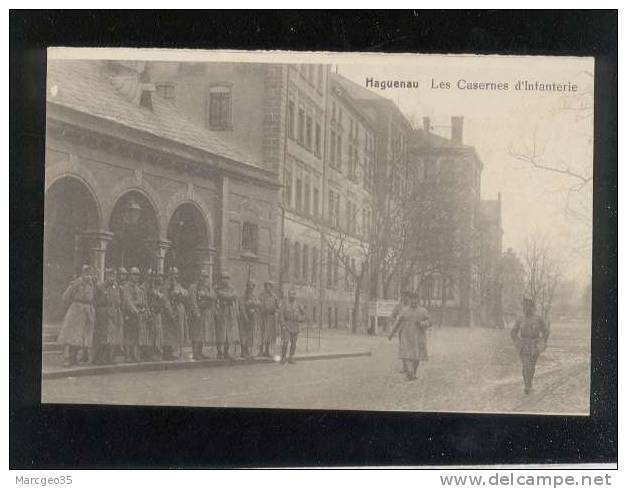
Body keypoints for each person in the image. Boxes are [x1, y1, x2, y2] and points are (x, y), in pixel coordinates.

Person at [57, 264, 96, 367]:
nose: (88, 276)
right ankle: (68, 358)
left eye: (90, 273)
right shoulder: (77, 283)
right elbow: (66, 296)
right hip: (77, 311)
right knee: (72, 336)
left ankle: (75, 358)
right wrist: (73, 306)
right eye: (86, 273)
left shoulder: (92, 283)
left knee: (82, 337)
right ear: (82, 273)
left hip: (87, 311)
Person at [510, 297, 550, 394]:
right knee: (525, 365)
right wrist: (517, 342)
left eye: (528, 306)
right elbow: (513, 332)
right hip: (523, 346)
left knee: (531, 366)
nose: (526, 308)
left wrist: (542, 342)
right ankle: (527, 386)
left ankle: (529, 383)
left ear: (533, 307)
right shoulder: (520, 319)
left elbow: (546, 332)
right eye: (524, 306)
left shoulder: (538, 318)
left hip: (535, 346)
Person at [388, 292, 430, 381]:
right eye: (412, 300)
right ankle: (410, 373)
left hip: (418, 336)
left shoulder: (423, 311)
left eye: (415, 300)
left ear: (418, 300)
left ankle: (412, 372)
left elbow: (429, 322)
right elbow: (397, 322)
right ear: (409, 300)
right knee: (406, 355)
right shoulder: (404, 310)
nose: (414, 302)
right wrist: (391, 333)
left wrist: (422, 323)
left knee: (416, 357)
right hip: (405, 335)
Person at [93, 268, 123, 365]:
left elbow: (119, 300)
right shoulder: (100, 286)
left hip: (114, 313)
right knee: (102, 336)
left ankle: (109, 358)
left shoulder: (116, 287)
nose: (112, 278)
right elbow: (95, 300)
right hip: (103, 313)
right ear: (106, 276)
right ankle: (98, 358)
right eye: (110, 275)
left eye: (113, 276)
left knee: (112, 337)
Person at [188, 269, 216, 360]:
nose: (204, 279)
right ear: (198, 277)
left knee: (202, 333)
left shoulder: (208, 287)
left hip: (205, 313)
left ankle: (200, 352)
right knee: (195, 333)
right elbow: (192, 301)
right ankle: (195, 353)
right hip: (196, 313)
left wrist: (206, 294)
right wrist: (196, 312)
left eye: (206, 277)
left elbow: (214, 296)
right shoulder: (193, 287)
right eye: (202, 276)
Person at [121, 266, 146, 363]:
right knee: (128, 335)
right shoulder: (126, 287)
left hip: (137, 313)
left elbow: (141, 300)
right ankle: (127, 355)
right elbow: (128, 301)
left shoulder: (138, 287)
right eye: (134, 274)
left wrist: (142, 308)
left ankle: (134, 354)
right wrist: (136, 311)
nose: (136, 277)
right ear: (130, 275)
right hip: (129, 314)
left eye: (138, 275)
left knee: (136, 335)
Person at [163, 267, 188, 360]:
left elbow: (185, 292)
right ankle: (167, 352)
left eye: (176, 274)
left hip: (179, 310)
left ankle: (175, 351)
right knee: (169, 333)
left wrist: (180, 292)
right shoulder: (166, 285)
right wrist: (170, 312)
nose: (175, 276)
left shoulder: (177, 284)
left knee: (178, 332)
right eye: (173, 274)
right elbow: (165, 300)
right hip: (170, 312)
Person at [214, 271, 239, 360]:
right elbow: (221, 295)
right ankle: (219, 352)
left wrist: (229, 296)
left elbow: (235, 296)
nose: (226, 280)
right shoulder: (217, 288)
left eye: (227, 278)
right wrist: (229, 296)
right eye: (224, 278)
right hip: (221, 312)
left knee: (229, 333)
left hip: (229, 313)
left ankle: (226, 351)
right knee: (220, 333)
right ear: (220, 279)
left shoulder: (231, 288)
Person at [278, 289, 305, 364]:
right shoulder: (284, 304)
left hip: (295, 326)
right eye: (290, 294)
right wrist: (283, 325)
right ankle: (283, 357)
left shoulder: (298, 305)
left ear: (295, 296)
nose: (292, 296)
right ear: (288, 295)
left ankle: (291, 357)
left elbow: (303, 314)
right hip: (287, 325)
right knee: (285, 342)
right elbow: (281, 315)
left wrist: (300, 319)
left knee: (294, 343)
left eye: (293, 294)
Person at [146, 273, 168, 360]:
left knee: (158, 333)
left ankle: (157, 351)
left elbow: (164, 300)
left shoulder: (160, 290)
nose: (159, 279)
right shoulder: (147, 288)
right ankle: (149, 353)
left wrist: (158, 294)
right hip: (151, 311)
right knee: (151, 333)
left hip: (158, 312)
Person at [238, 280, 260, 359]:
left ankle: (248, 351)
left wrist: (253, 307)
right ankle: (243, 351)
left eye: (252, 288)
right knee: (243, 334)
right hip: (244, 318)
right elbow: (242, 307)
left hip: (252, 318)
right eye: (249, 287)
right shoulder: (243, 297)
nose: (251, 289)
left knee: (250, 335)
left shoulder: (254, 296)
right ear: (247, 287)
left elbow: (258, 304)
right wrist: (245, 317)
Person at [258, 281, 280, 357]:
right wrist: (262, 310)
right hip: (263, 317)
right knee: (262, 333)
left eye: (270, 286)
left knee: (269, 335)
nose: (268, 288)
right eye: (267, 286)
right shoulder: (261, 296)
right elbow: (258, 305)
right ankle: (260, 351)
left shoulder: (274, 297)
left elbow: (278, 307)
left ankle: (267, 351)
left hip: (271, 317)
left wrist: (275, 310)